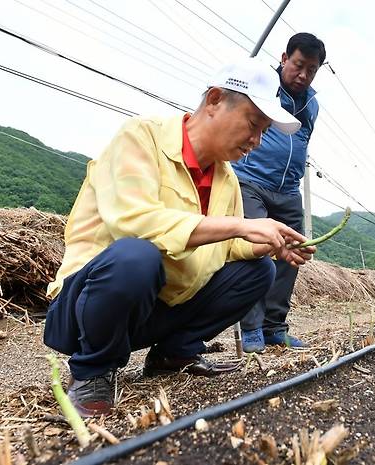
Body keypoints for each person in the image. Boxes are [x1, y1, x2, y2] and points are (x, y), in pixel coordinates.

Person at [43, 58, 316, 417]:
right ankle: (92, 370)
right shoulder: (141, 137)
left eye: (264, 131)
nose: (257, 139)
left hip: (154, 311)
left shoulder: (226, 179)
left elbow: (227, 246)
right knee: (135, 257)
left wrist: (265, 243)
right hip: (87, 308)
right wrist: (241, 225)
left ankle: (174, 351)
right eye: (253, 124)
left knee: (259, 270)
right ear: (215, 100)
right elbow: (133, 223)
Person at [232, 33, 326, 353]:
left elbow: (302, 141)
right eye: (299, 65)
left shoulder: (311, 104)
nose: (303, 75)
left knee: (292, 257)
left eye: (311, 70)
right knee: (257, 247)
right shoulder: (262, 86)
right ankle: (252, 327)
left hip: (288, 189)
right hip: (251, 180)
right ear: (285, 58)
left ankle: (274, 326)